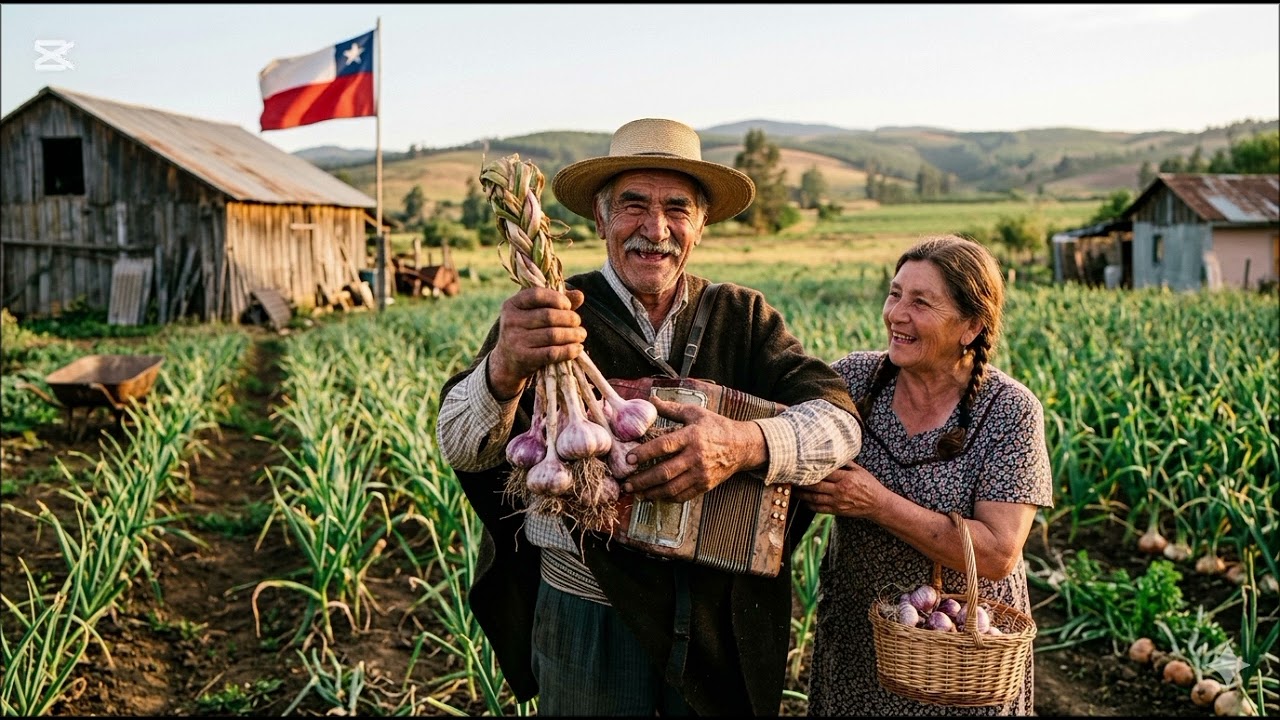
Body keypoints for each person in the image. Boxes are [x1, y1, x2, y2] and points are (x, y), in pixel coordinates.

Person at [435, 117, 863, 716]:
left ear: (701, 225)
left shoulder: (742, 317)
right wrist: (503, 367)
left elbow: (841, 421)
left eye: (677, 209)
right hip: (587, 613)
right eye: (633, 205)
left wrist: (742, 444)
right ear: (601, 217)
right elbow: (460, 445)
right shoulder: (550, 314)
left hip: (718, 620)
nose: (655, 229)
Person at [795, 234, 1053, 716]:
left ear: (971, 326)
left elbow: (998, 553)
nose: (896, 314)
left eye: (921, 302)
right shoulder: (854, 379)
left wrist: (877, 503)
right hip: (859, 639)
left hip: (959, 655)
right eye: (894, 294)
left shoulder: (1010, 412)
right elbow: (788, 430)